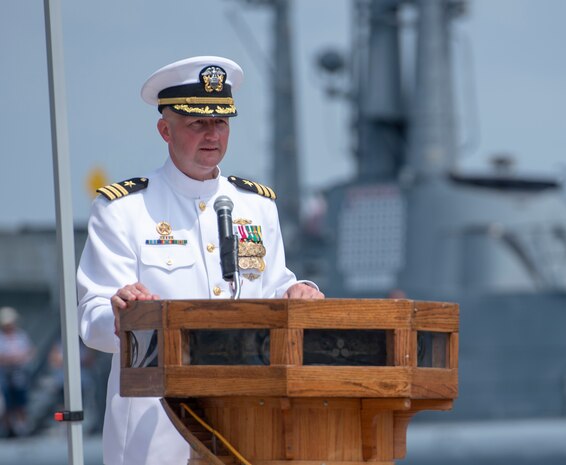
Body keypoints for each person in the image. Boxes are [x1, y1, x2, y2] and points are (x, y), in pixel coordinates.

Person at [76, 56, 324, 465]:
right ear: (164, 130)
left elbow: (274, 285)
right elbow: (93, 321)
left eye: (221, 123)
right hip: (157, 428)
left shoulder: (255, 205)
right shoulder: (123, 209)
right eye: (197, 124)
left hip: (246, 424)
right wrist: (121, 315)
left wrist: (300, 291)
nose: (212, 135)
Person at [0, 306, 35, 437]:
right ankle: (9, 429)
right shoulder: (1, 338)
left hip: (20, 374)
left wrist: (17, 358)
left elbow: (30, 351)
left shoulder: (21, 336)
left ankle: (22, 428)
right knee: (7, 403)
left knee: (21, 402)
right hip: (4, 374)